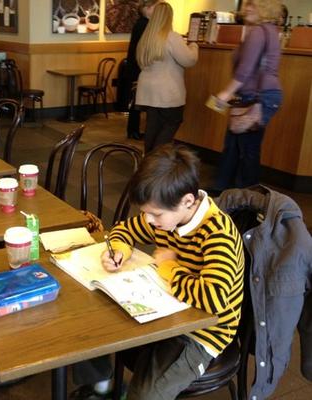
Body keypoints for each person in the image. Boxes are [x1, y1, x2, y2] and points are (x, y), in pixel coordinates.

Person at [72, 144, 244, 400]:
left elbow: (215, 299)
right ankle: (102, 387)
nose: (149, 221)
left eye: (155, 214)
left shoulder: (218, 234)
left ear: (188, 201)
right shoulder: (165, 216)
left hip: (203, 333)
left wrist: (169, 268)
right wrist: (119, 249)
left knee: (146, 395)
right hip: (165, 311)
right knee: (83, 325)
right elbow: (123, 230)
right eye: (145, 213)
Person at [213, 0, 282, 191]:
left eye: (253, 4)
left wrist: (225, 93)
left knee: (245, 148)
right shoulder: (270, 31)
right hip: (263, 95)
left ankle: (246, 195)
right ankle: (227, 189)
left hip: (257, 96)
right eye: (246, 4)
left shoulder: (259, 32)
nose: (247, 8)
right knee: (237, 144)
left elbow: (244, 70)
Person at [135, 2, 198, 154]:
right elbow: (189, 60)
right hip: (167, 92)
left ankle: (148, 159)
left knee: (152, 126)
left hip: (148, 92)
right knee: (172, 122)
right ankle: (156, 160)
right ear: (169, 17)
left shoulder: (146, 38)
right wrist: (194, 46)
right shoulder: (171, 37)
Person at [125, 0, 161, 140]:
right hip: (138, 67)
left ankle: (133, 130)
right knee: (137, 101)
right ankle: (133, 130)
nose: (157, 11)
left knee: (136, 100)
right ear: (146, 8)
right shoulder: (144, 24)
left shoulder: (141, 23)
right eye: (155, 7)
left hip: (135, 66)